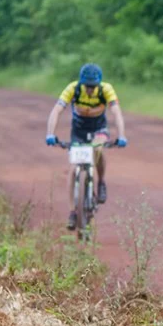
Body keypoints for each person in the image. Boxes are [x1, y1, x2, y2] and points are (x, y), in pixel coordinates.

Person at [45, 62, 128, 229]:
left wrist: (122, 135)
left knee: (98, 148)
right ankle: (72, 212)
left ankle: (101, 181)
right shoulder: (73, 88)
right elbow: (56, 110)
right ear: (82, 83)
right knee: (73, 167)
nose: (90, 89)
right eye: (87, 86)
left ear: (98, 84)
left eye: (93, 86)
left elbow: (117, 112)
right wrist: (50, 133)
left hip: (99, 128)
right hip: (79, 130)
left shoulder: (106, 89)